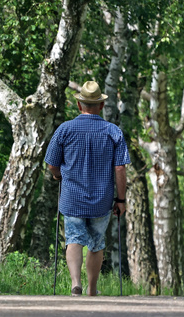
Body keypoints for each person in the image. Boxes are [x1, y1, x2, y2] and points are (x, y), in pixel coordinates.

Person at [44, 80, 130, 296]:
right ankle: (92, 289)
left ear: (79, 105)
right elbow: (120, 168)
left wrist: (58, 176)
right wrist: (121, 200)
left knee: (73, 238)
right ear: (101, 106)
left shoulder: (64, 129)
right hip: (101, 199)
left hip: (72, 197)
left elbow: (52, 164)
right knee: (96, 242)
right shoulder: (113, 132)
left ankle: (76, 283)